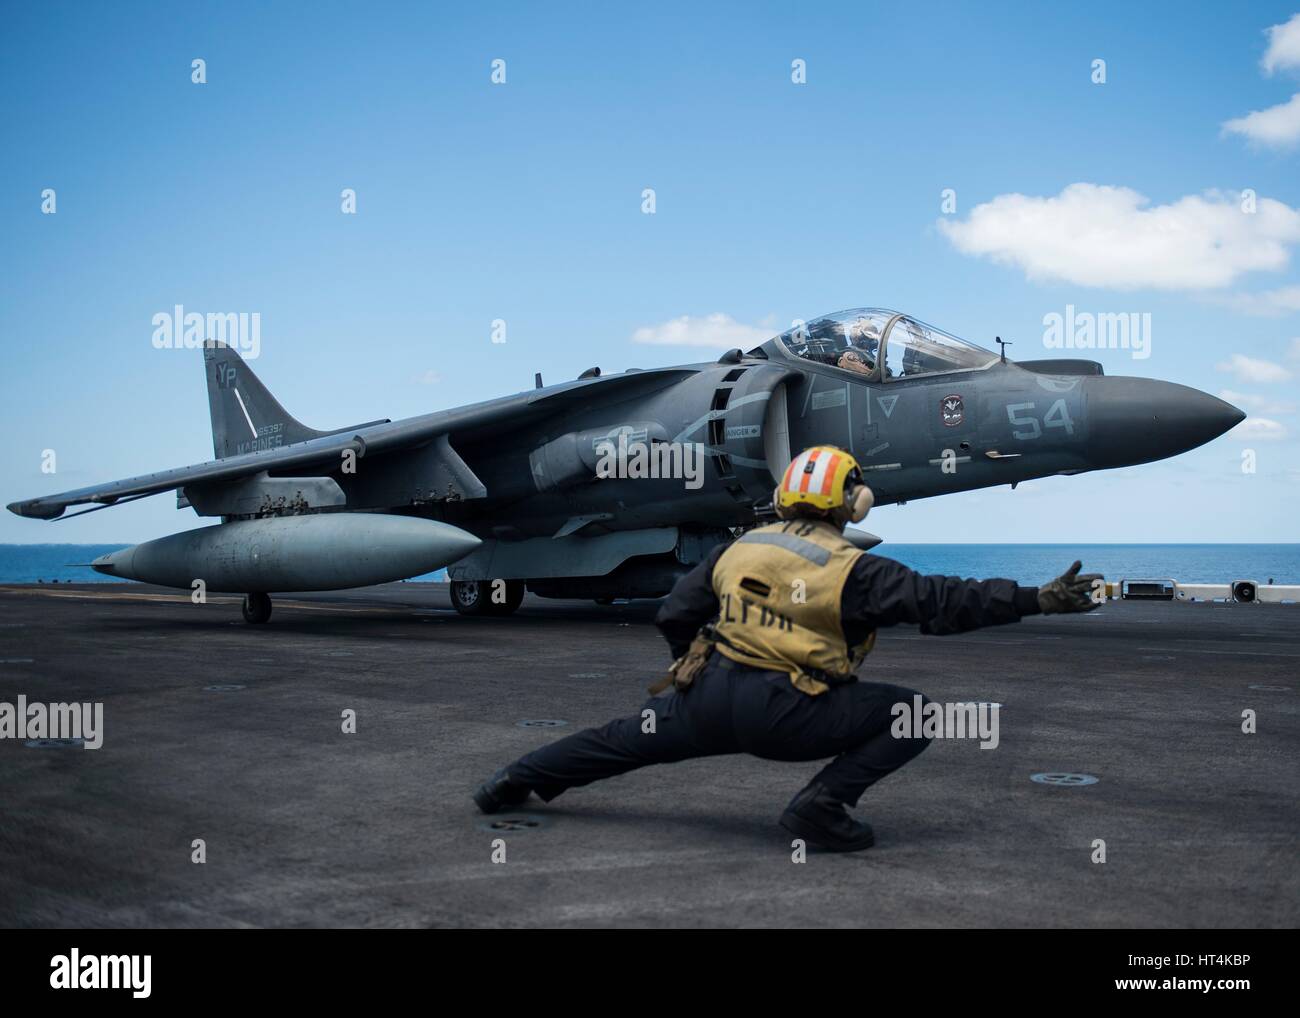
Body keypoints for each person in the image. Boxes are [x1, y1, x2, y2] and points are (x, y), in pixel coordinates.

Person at [474, 445, 1102, 851]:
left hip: (706, 699)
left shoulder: (736, 549)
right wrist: (1035, 600)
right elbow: (944, 601)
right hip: (792, 715)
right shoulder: (852, 566)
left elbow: (675, 611)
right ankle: (821, 807)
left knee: (616, 741)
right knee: (919, 712)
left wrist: (689, 660)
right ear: (855, 503)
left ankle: (512, 778)